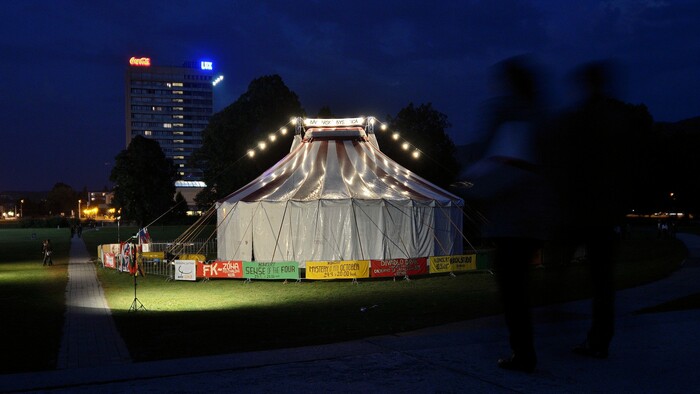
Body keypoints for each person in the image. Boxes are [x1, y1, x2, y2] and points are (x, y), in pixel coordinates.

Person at [459, 56, 557, 372]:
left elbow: (483, 150)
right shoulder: (542, 114)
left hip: (511, 209)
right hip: (534, 211)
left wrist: (471, 181)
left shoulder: (504, 112)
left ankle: (523, 351)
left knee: (511, 285)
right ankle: (525, 346)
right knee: (519, 282)